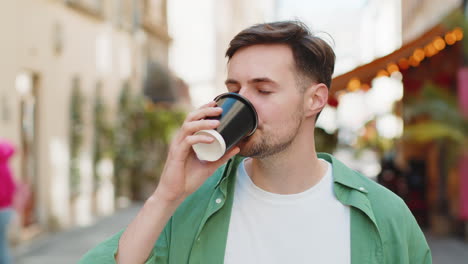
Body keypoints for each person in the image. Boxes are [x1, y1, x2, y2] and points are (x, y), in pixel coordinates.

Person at [80, 20, 431, 264]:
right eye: (233, 90)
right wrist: (167, 196)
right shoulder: (190, 205)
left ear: (315, 100)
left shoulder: (385, 216)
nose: (241, 102)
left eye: (262, 89)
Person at [0, 139, 16, 264]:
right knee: (3, 243)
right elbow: (13, 189)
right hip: (7, 210)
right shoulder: (7, 168)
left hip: (1, 209)